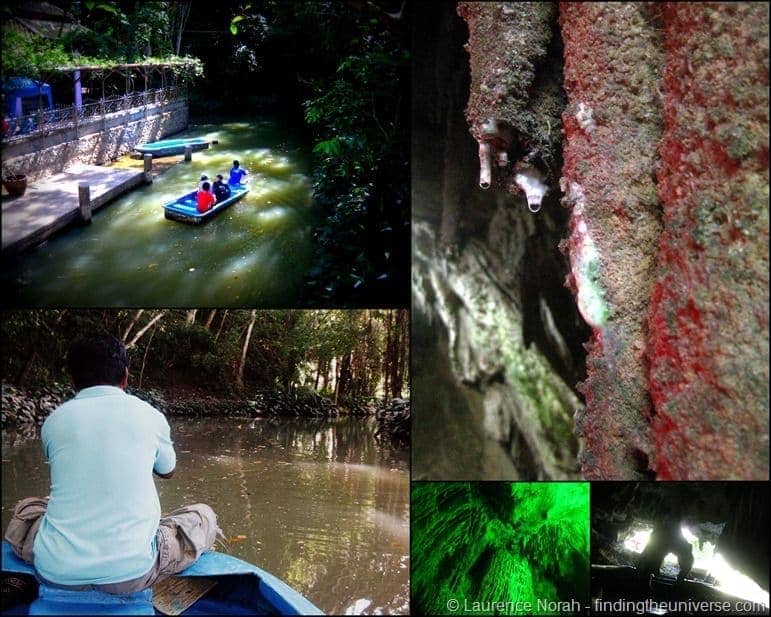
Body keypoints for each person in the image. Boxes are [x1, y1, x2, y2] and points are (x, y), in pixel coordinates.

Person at [3, 335, 222, 594]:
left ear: (73, 380)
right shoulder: (150, 416)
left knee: (32, 507)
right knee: (203, 516)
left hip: (55, 571)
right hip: (131, 575)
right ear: (125, 376)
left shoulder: (54, 421)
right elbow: (168, 471)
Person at [637, 518, 694, 585]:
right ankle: (647, 580)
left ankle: (647, 579)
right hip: (663, 540)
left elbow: (687, 558)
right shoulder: (662, 537)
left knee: (649, 562)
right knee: (649, 562)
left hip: (666, 539)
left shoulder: (670, 537)